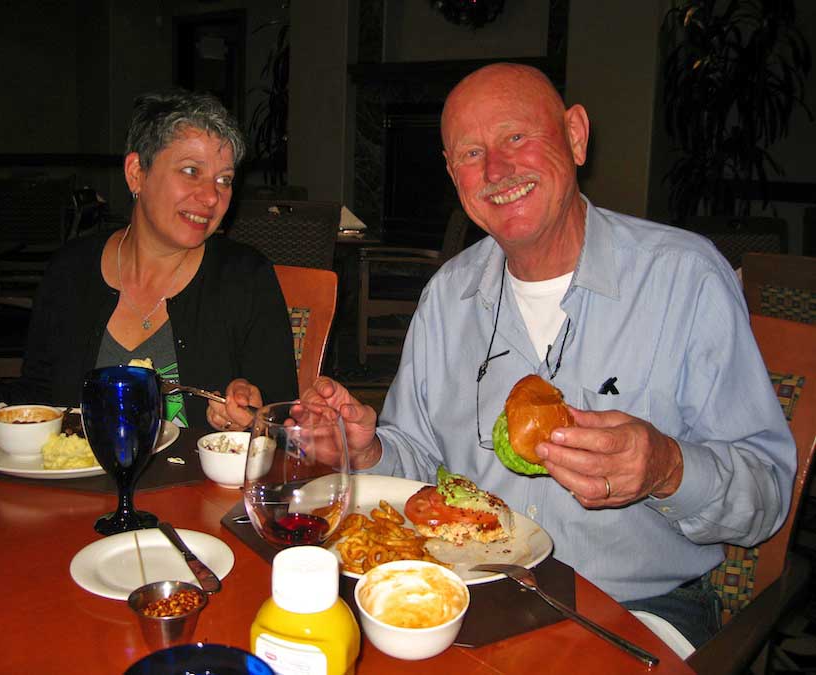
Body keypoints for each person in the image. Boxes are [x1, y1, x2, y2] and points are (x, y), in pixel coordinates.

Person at [303, 64, 795, 650]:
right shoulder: (446, 296)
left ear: (576, 136)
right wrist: (373, 450)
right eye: (470, 153)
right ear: (452, 175)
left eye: (516, 137)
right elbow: (421, 459)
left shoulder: (685, 278)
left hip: (634, 608)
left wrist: (667, 468)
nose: (496, 170)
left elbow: (766, 498)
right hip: (463, 595)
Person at [0, 89, 298, 429]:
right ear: (136, 173)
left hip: (194, 488)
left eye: (224, 179)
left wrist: (252, 413)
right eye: (191, 171)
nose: (211, 197)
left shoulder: (246, 278)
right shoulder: (71, 271)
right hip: (81, 487)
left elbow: (280, 414)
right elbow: (40, 394)